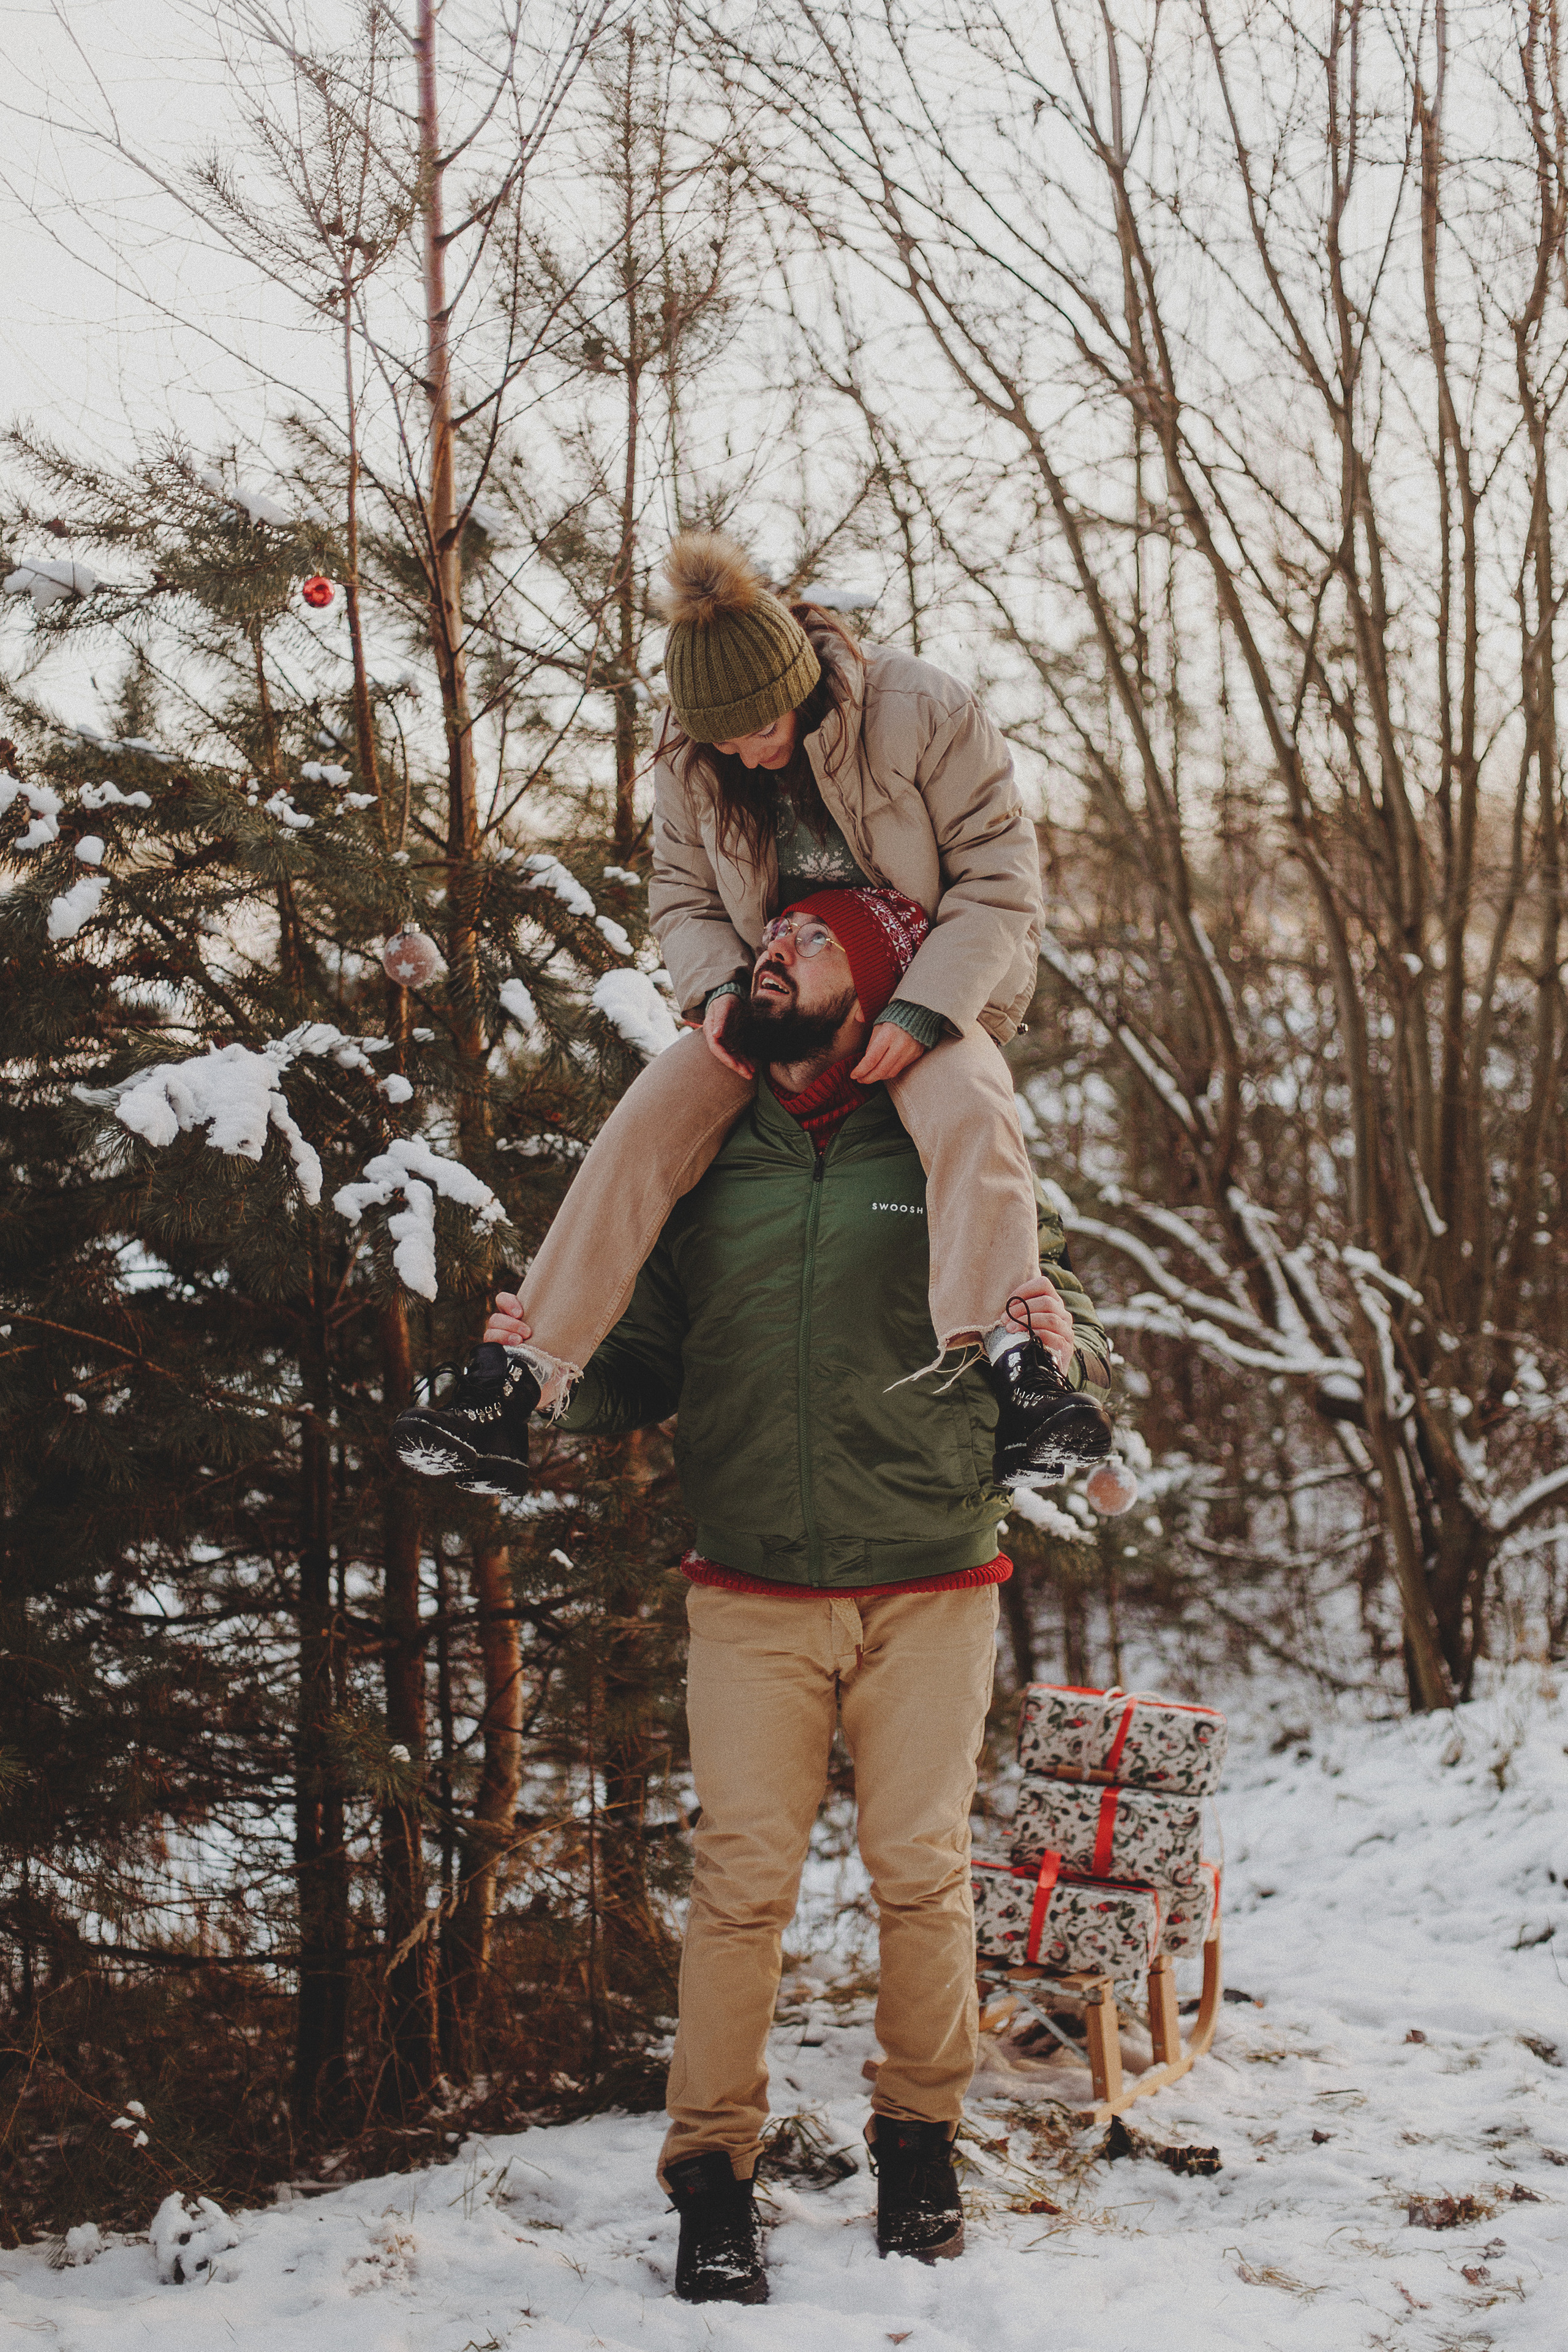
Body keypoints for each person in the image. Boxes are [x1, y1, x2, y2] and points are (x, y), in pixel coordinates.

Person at [396, 892, 1112, 2301]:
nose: (772, 954)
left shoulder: (943, 1137)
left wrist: (1064, 1346)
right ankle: (710, 2175)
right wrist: (547, 1384)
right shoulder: (709, 1149)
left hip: (929, 1577)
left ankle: (918, 2140)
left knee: (919, 1872)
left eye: (811, 942)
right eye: (769, 937)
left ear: (880, 990)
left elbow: (1048, 1308)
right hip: (750, 1583)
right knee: (737, 1888)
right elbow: (642, 1360)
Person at [395, 528, 1111, 1492]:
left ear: (797, 683)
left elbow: (999, 880)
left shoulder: (923, 709)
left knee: (973, 1110)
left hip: (929, 980)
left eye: (756, 728)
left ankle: (1022, 1370)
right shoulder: (692, 756)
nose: (742, 752)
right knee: (648, 1121)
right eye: (721, 738)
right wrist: (720, 992)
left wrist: (928, 1010)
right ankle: (512, 1385)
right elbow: (684, 898)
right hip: (775, 993)